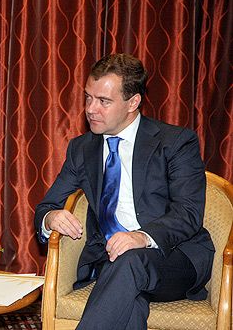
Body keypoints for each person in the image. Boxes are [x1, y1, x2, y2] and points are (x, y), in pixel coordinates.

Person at [34, 53, 214, 329]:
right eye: (88, 97)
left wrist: (142, 237)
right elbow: (47, 206)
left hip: (174, 258)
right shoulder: (82, 149)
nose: (91, 109)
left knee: (130, 262)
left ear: (133, 103)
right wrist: (51, 218)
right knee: (129, 303)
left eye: (104, 101)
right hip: (111, 261)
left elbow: (188, 213)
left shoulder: (175, 142)